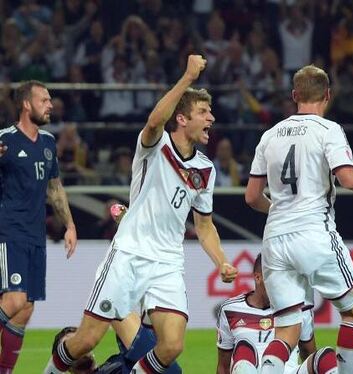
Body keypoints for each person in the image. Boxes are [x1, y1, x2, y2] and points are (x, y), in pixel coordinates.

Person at [44, 55, 238, 374]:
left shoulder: (206, 169)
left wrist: (221, 262)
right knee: (87, 340)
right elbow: (152, 121)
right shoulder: (154, 144)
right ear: (182, 119)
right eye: (203, 112)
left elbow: (204, 226)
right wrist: (187, 77)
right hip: (129, 254)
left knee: (172, 345)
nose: (211, 118)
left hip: (168, 262)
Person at [244, 64, 353, 374]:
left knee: (287, 331)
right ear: (328, 96)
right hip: (314, 234)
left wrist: (281, 209)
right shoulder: (328, 130)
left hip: (274, 241)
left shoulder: (269, 136)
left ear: (294, 95)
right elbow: (350, 179)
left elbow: (251, 197)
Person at [0, 80, 78, 373]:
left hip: (36, 236)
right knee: (15, 298)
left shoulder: (47, 143)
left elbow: (54, 189)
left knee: (26, 309)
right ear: (26, 104)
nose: (50, 105)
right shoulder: (5, 140)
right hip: (9, 231)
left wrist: (69, 224)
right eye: (44, 100)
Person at [217, 254, 335, 374]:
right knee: (244, 350)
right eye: (274, 278)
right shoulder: (230, 309)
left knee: (325, 356)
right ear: (258, 278)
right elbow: (223, 366)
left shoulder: (299, 308)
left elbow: (308, 354)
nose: (280, 284)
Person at [53, 313, 182, 374]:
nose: (79, 348)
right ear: (65, 365)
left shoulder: (112, 362)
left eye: (78, 339)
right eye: (70, 345)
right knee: (113, 307)